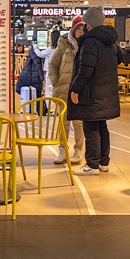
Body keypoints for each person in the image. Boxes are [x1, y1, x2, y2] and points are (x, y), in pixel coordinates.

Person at [67, 7, 124, 176]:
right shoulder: (111, 41)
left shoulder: (90, 41)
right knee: (102, 126)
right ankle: (103, 163)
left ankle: (91, 165)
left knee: (91, 127)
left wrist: (75, 89)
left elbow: (85, 69)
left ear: (90, 25)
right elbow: (120, 58)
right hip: (107, 90)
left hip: (91, 92)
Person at [48, 16, 86, 164]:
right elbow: (52, 65)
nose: (81, 32)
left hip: (80, 90)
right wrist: (55, 82)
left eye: (83, 29)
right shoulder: (63, 43)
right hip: (63, 89)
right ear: (73, 29)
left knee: (78, 122)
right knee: (63, 122)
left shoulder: (87, 45)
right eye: (78, 29)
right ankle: (62, 150)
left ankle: (78, 151)